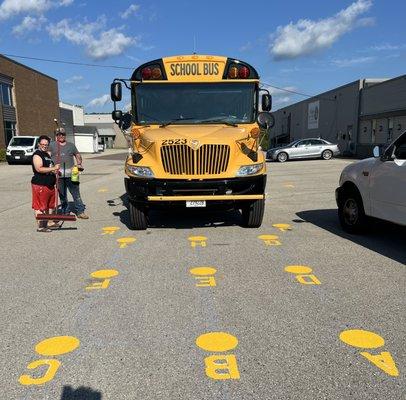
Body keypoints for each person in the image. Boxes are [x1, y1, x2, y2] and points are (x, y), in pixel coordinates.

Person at [49, 128, 89, 219]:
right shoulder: (52, 145)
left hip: (72, 175)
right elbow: (47, 156)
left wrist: (79, 163)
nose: (61, 136)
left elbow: (77, 155)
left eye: (63, 134)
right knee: (62, 195)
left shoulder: (71, 145)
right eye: (59, 134)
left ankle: (80, 211)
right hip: (58, 175)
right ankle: (65, 212)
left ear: (65, 135)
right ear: (56, 136)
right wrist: (50, 168)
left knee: (76, 194)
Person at [31, 135, 60, 232]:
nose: (44, 146)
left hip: (49, 184)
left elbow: (48, 167)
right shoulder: (37, 155)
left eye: (46, 144)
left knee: (47, 205)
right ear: (39, 144)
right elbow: (39, 168)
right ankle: (41, 226)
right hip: (40, 184)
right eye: (42, 144)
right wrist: (53, 168)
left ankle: (47, 223)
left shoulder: (47, 155)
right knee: (40, 206)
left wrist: (54, 171)